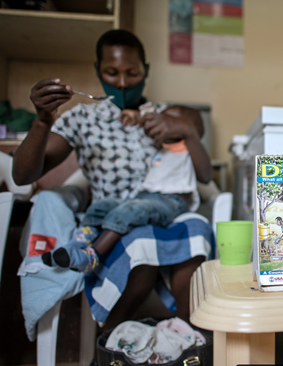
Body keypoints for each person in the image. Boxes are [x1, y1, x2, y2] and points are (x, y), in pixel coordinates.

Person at [12, 29, 213, 328]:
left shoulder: (166, 116)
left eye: (132, 73)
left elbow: (201, 170)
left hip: (163, 210)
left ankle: (187, 334)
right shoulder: (83, 119)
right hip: (113, 215)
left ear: (146, 71)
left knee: (193, 229)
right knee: (138, 243)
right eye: (111, 72)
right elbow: (23, 175)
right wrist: (42, 121)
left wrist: (182, 129)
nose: (121, 83)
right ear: (98, 71)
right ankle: (111, 341)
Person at [40, 103, 205, 273]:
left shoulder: (185, 149)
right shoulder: (157, 148)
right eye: (158, 119)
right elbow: (147, 120)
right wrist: (137, 117)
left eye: (167, 121)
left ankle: (93, 256)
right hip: (145, 196)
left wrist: (190, 133)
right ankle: (76, 244)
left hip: (171, 201)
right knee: (102, 206)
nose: (158, 124)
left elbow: (205, 176)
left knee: (129, 211)